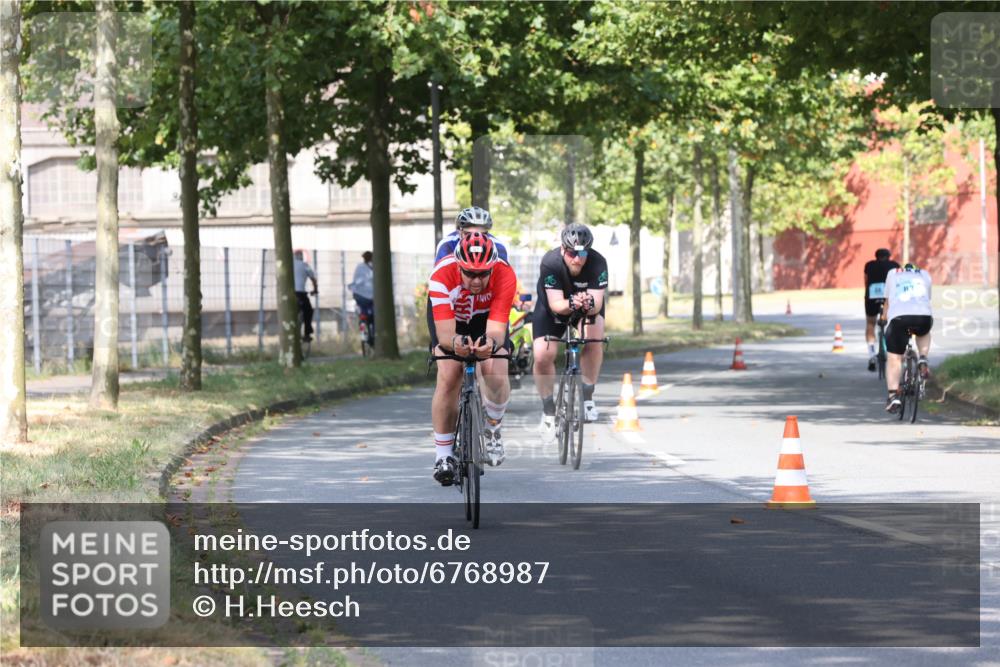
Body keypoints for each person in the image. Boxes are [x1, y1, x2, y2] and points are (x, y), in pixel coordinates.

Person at [428, 232, 517, 485]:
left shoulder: (505, 274)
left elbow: (496, 330)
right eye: (470, 273)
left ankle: (493, 428)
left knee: (495, 371)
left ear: (492, 267)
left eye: (483, 274)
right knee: (449, 375)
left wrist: (491, 344)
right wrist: (456, 343)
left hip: (486, 319)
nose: (476, 280)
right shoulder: (441, 274)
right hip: (451, 319)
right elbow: (446, 335)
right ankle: (443, 455)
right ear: (459, 266)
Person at [532, 223, 608, 439]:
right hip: (553, 310)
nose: (577, 259)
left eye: (582, 253)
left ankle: (587, 396)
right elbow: (556, 304)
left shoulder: (598, 262)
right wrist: (573, 301)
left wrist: (586, 303)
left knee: (594, 337)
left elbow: (596, 304)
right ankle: (548, 411)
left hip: (584, 309)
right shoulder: (551, 262)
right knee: (542, 355)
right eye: (572, 253)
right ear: (563, 249)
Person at [882, 263, 933, 413]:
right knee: (923, 331)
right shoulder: (924, 274)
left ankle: (893, 396)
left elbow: (887, 303)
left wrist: (884, 318)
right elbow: (927, 298)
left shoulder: (892, 273)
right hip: (923, 316)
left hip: (899, 317)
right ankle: (923, 358)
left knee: (894, 358)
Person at [863, 248, 900, 371]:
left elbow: (866, 281)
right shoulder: (894, 265)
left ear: (876, 256)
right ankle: (892, 352)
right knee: (891, 322)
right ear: (889, 256)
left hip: (872, 296)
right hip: (888, 298)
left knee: (870, 323)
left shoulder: (869, 265)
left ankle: (871, 354)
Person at [293, 250, 318, 342]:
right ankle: (307, 333)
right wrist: (315, 290)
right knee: (308, 311)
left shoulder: (289, 265)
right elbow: (313, 279)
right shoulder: (305, 265)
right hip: (300, 294)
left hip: (290, 294)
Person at [349, 251, 375, 334]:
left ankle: (363, 332)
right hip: (371, 297)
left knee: (363, 315)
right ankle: (374, 333)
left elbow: (356, 281)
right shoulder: (374, 267)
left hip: (359, 296)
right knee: (373, 315)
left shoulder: (359, 267)